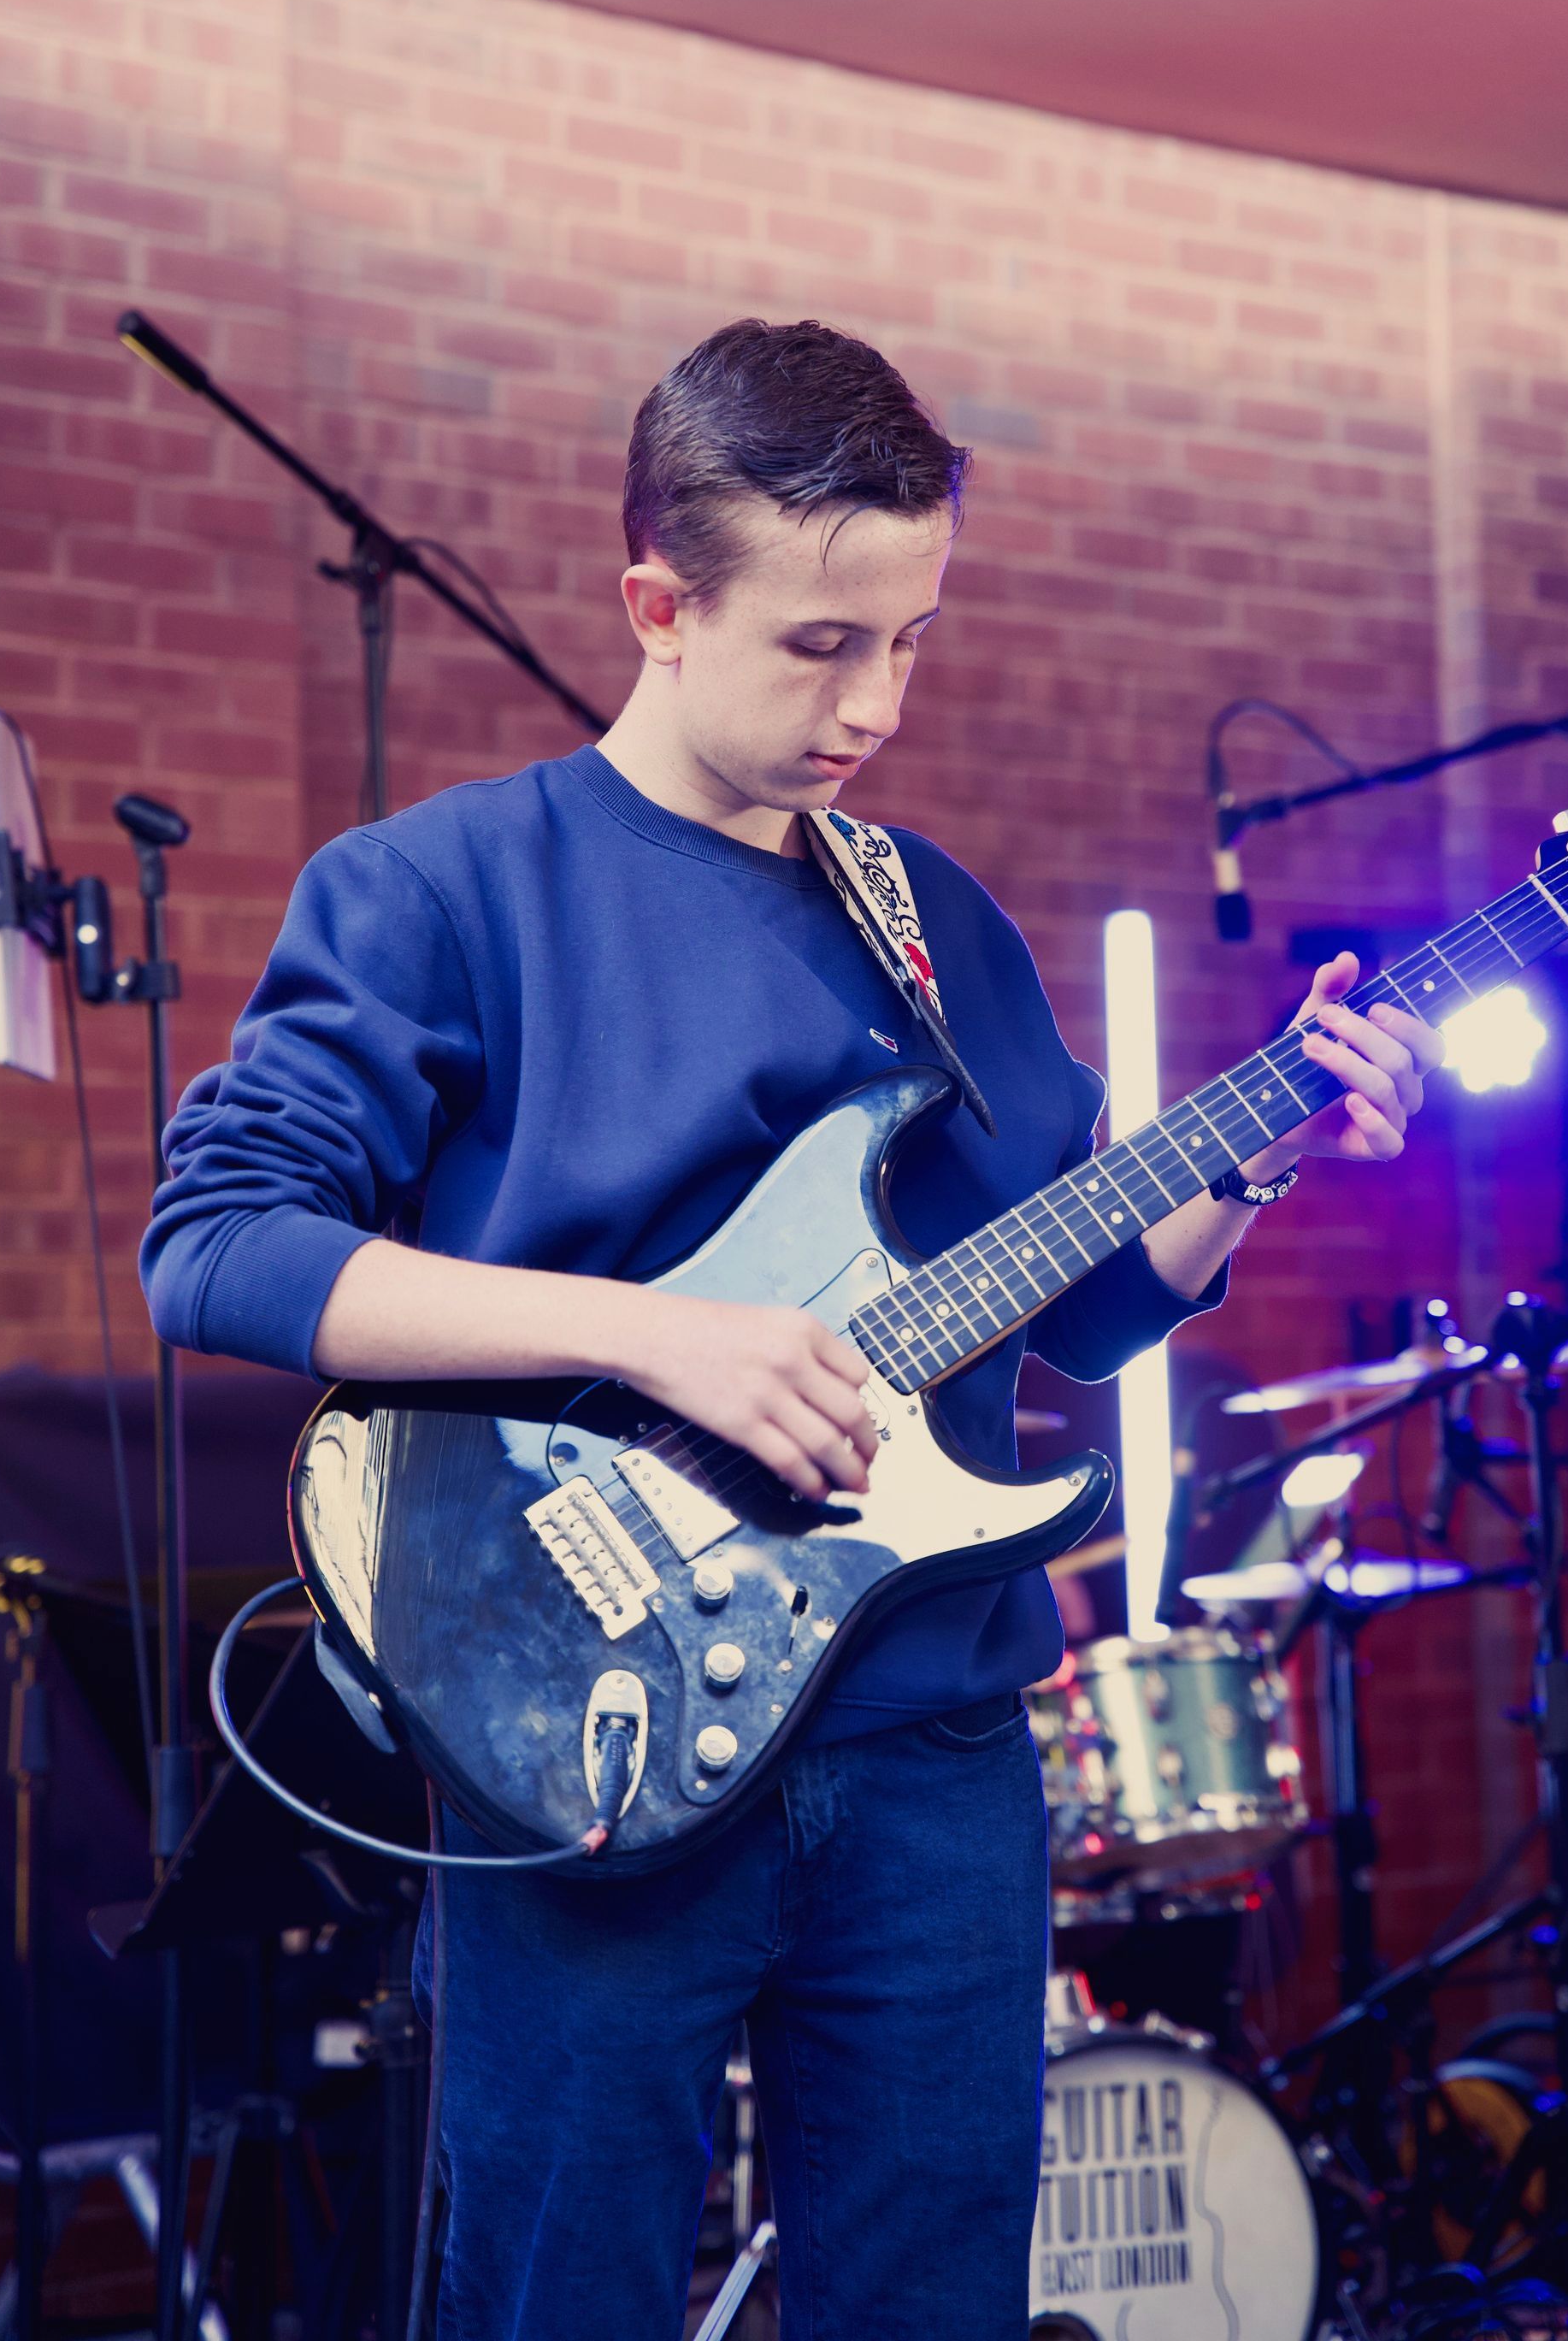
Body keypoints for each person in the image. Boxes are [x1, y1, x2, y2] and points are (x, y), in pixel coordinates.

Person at [141, 318, 1442, 2340]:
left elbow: (1085, 1314)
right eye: (822, 646)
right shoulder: (442, 890)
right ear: (657, 607)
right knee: (557, 2299)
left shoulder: (933, 917)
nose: (876, 705)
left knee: (930, 2300)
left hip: (931, 1748)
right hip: (585, 1726)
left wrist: (1256, 1155)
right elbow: (220, 1247)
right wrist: (665, 1342)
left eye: (911, 641)